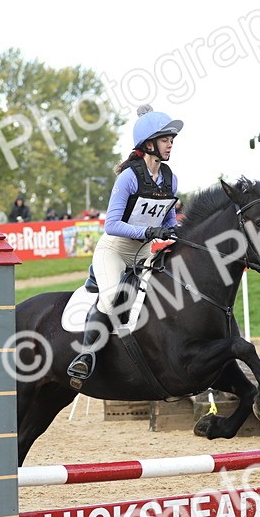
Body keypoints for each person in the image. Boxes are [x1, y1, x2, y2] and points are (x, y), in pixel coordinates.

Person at [66, 105, 182, 384]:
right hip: (115, 251)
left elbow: (168, 219)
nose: (170, 144)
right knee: (111, 298)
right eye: (165, 140)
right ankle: (86, 355)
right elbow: (111, 224)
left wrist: (176, 231)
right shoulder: (128, 177)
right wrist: (150, 231)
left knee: (164, 295)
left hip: (144, 253)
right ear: (149, 144)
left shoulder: (170, 179)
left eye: (171, 140)